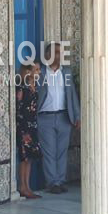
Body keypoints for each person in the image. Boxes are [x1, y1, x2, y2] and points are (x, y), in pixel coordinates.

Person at [36, 42, 81, 194]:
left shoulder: (66, 72)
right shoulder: (40, 72)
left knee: (62, 151)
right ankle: (52, 182)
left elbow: (72, 95)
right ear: (48, 55)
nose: (59, 56)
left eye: (60, 53)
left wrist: (77, 116)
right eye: (56, 53)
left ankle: (60, 180)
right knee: (49, 152)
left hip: (64, 116)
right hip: (45, 118)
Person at [16, 62, 42, 199]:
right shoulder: (22, 87)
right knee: (24, 156)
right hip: (24, 126)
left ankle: (27, 186)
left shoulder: (35, 86)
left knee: (30, 156)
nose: (39, 72)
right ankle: (22, 186)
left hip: (32, 125)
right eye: (36, 70)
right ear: (29, 71)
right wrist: (23, 126)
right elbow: (18, 107)